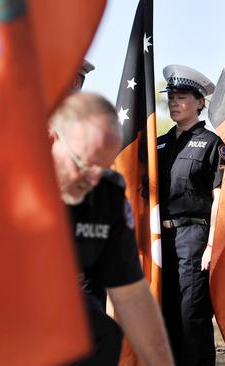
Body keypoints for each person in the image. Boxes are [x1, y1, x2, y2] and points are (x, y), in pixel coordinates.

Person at [49, 92, 174, 366]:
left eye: (103, 168)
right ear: (54, 139)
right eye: (84, 165)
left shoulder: (106, 195)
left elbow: (130, 293)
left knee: (100, 335)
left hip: (57, 306)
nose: (93, 179)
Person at [157, 65, 225, 366]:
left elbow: (220, 198)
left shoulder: (212, 144)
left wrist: (211, 245)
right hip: (161, 239)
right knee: (164, 316)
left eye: (181, 97)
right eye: (171, 96)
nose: (173, 102)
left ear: (200, 102)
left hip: (194, 238)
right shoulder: (158, 144)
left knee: (191, 317)